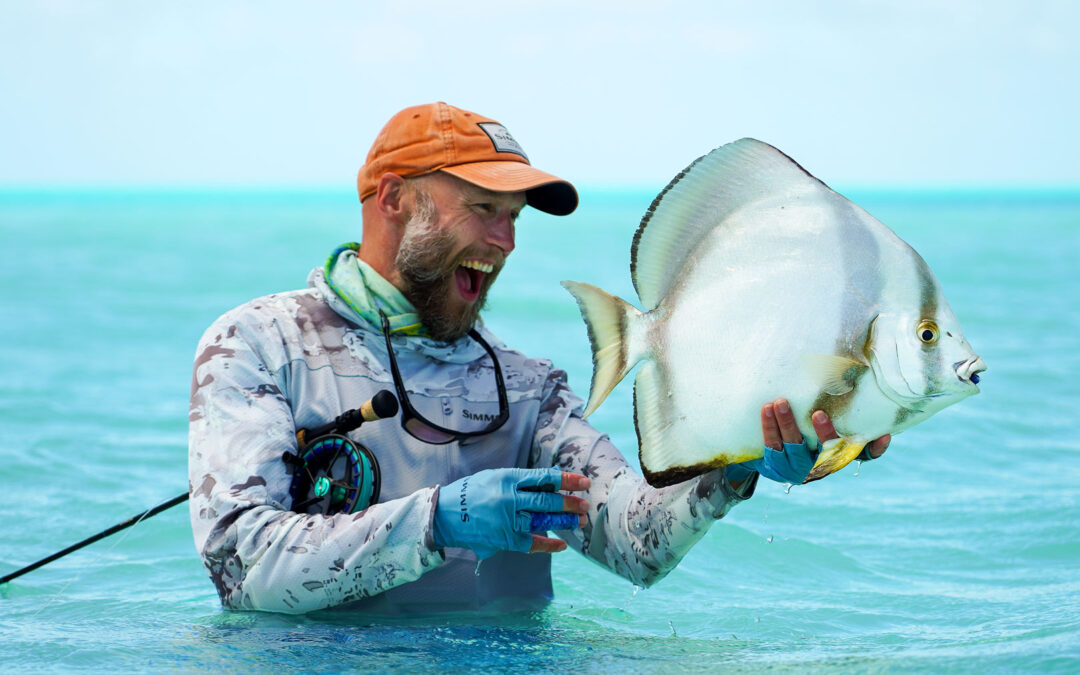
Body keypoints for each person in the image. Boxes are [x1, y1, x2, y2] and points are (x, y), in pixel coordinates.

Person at [187, 102, 889, 615]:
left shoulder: (526, 390)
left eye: (514, 218)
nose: (505, 243)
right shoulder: (258, 344)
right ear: (395, 199)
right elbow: (242, 567)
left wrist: (734, 467)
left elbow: (634, 540)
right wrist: (436, 521)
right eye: (482, 209)